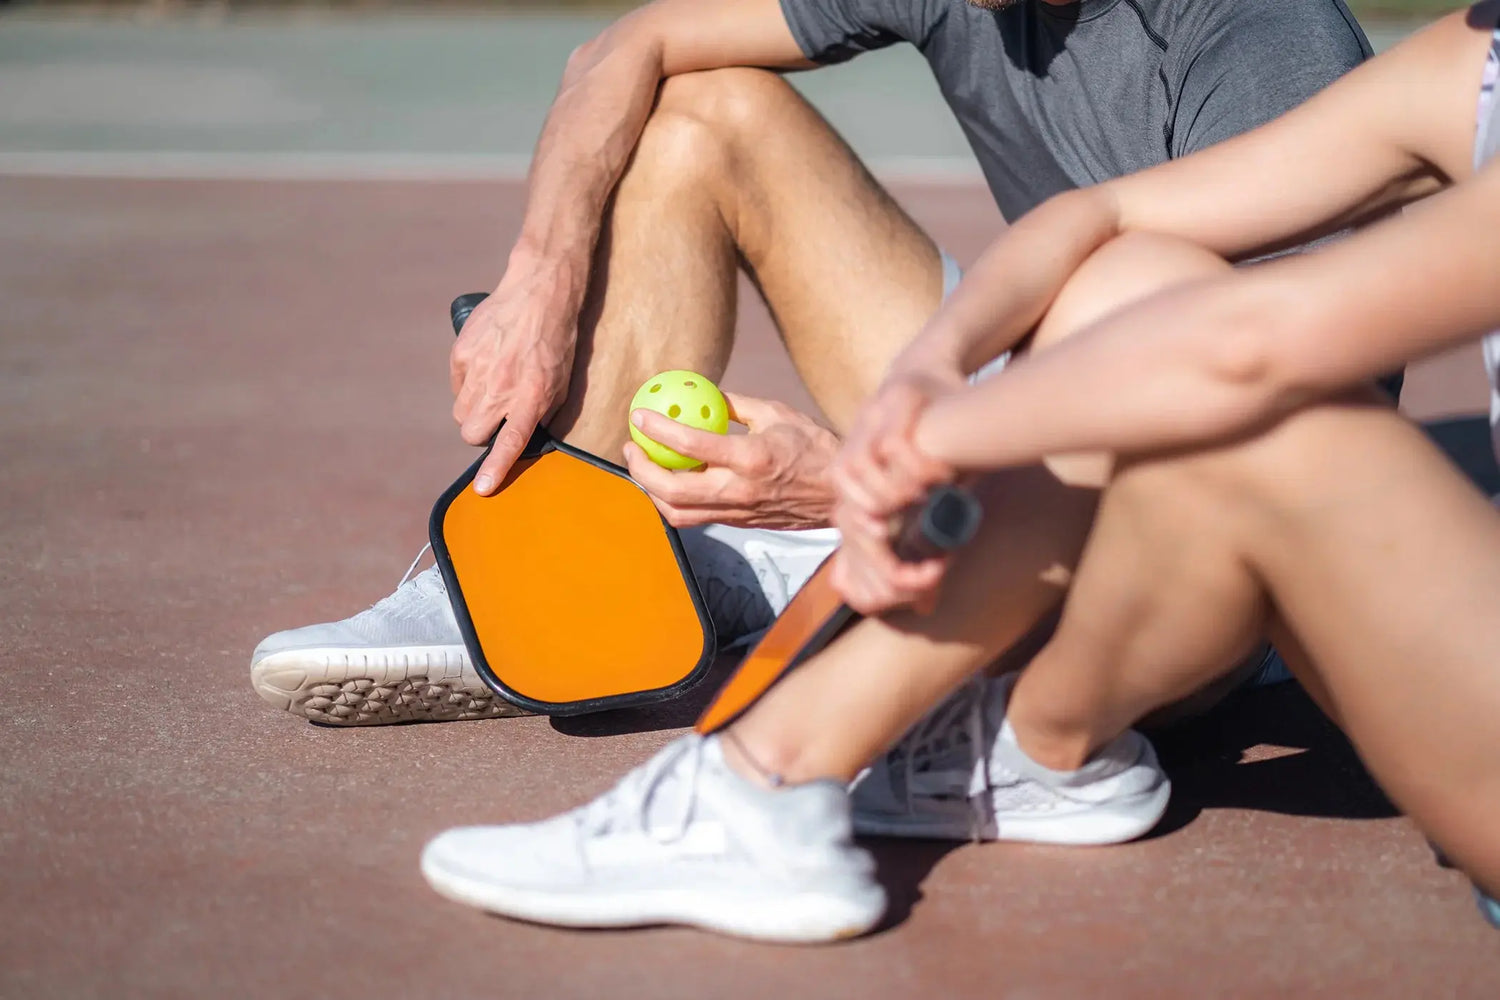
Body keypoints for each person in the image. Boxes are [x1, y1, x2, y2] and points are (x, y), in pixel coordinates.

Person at [420, 3, 1500, 942]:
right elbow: (1099, 219)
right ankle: (1016, 738)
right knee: (717, 109)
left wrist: (884, 465)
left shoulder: (1269, 37)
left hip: (1230, 568)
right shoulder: (1469, 63)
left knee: (1148, 309)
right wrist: (927, 377)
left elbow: (1242, 358)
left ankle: (764, 769)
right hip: (1091, 406)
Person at [250, 0, 1372, 725]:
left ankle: (825, 562)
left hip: (1195, 525)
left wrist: (856, 479)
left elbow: (1277, 445)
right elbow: (624, 47)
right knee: (704, 110)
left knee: (1126, 288)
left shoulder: (1260, 36)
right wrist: (540, 278)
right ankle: (563, 564)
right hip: (1032, 402)